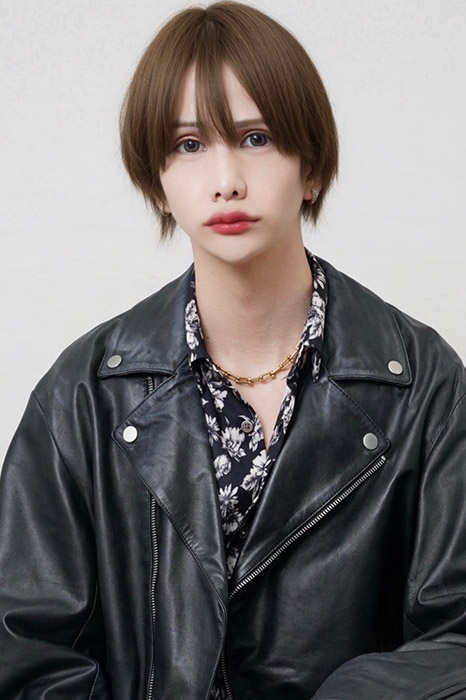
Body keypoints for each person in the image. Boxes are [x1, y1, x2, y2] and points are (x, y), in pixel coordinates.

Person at [1, 1, 466, 698]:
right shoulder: (82, 395)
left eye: (256, 138)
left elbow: (456, 637)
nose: (226, 179)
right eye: (189, 145)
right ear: (158, 181)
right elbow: (25, 651)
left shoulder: (425, 385)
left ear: (312, 168)